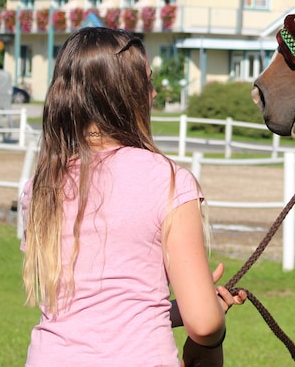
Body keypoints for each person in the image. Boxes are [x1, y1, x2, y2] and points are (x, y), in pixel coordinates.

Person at [20, 27, 245, 366]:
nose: (153, 94)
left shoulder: (41, 186)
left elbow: (89, 309)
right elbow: (204, 325)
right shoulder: (167, 181)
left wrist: (180, 307)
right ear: (124, 94)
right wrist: (210, 312)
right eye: (147, 83)